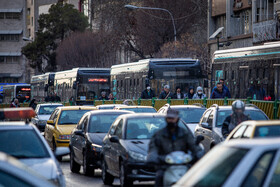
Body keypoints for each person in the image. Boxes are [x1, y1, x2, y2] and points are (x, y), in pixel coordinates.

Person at [147, 109, 203, 186]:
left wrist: (199, 154)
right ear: (166, 119)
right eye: (169, 118)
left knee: (197, 178)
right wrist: (152, 156)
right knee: (159, 177)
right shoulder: (159, 135)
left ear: (177, 119)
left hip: (184, 165)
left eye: (173, 118)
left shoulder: (185, 133)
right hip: (165, 165)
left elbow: (194, 146)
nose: (171, 120)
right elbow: (153, 148)